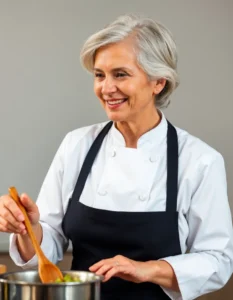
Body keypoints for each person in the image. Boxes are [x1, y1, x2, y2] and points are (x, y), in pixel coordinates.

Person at [0, 14, 232, 300]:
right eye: (100, 75)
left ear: (158, 81)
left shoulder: (199, 160)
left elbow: (218, 261)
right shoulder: (77, 145)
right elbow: (49, 249)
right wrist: (28, 229)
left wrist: (147, 269)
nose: (106, 88)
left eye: (120, 74)